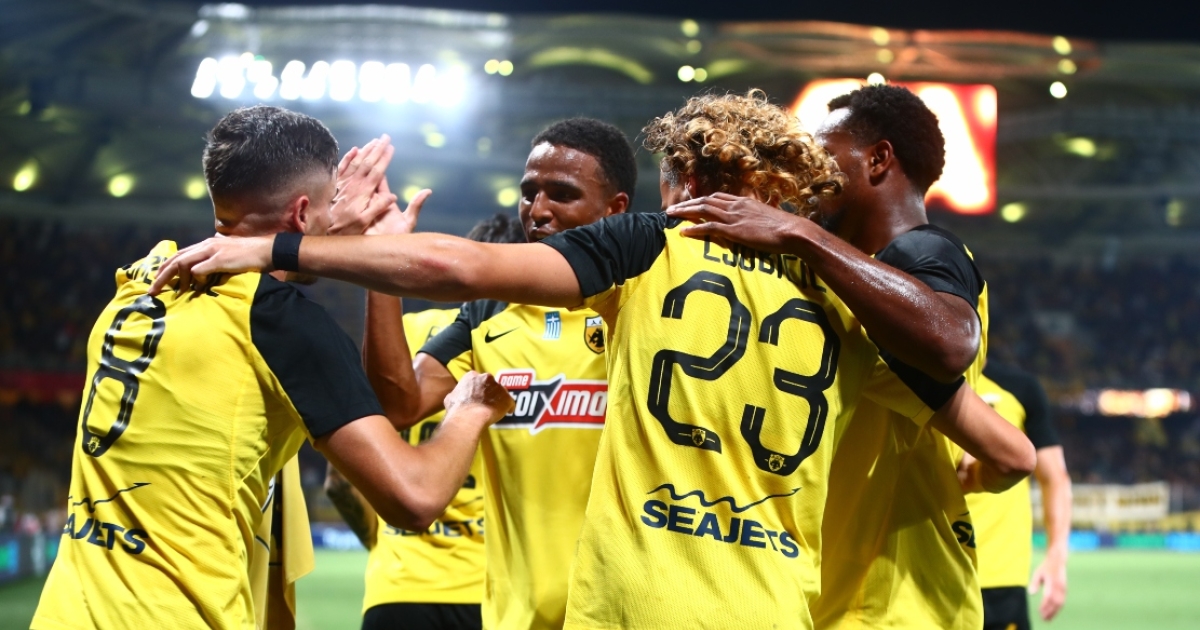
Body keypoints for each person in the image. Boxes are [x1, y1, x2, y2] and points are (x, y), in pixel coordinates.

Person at [148, 91, 1034, 629]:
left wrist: (280, 249)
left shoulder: (651, 249)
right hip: (774, 605)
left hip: (633, 603)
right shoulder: (849, 307)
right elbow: (998, 438)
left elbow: (463, 267)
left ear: (687, 182)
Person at [31, 106, 513, 630]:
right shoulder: (284, 326)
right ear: (302, 214)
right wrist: (468, 409)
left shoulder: (136, 287)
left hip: (65, 612)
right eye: (330, 203)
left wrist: (323, 231)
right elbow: (414, 498)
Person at [665, 84, 992, 628]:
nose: (807, 172)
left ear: (878, 159)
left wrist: (800, 233)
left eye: (823, 153)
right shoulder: (851, 278)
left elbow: (951, 342)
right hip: (850, 589)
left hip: (890, 598)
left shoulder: (921, 253)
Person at [333, 118, 637, 630]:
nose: (538, 210)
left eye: (562, 194)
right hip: (513, 619)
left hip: (623, 614)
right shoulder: (489, 312)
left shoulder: (644, 303)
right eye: (529, 192)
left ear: (616, 209)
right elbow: (398, 405)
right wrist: (381, 265)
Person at [323, 212, 527, 630]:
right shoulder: (524, 342)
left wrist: (389, 544)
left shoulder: (399, 337)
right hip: (494, 591)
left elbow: (340, 480)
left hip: (397, 589)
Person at [969, 361, 1071, 630]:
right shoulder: (911, 379)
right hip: (926, 575)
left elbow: (1054, 477)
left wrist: (1057, 556)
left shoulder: (1019, 390)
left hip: (998, 578)